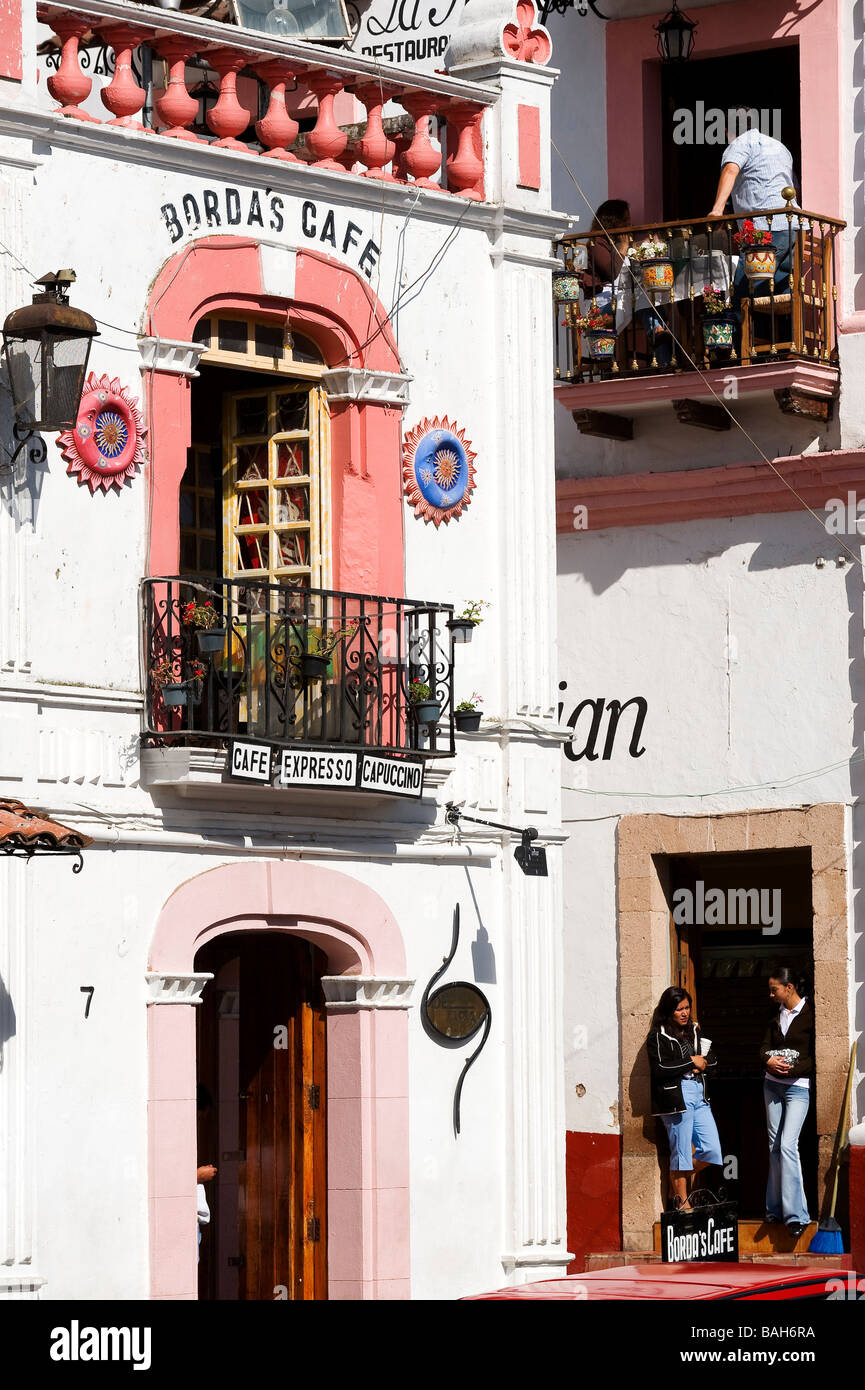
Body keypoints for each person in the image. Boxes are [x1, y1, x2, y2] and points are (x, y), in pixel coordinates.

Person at [707, 107, 800, 312]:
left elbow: (731, 170)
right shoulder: (779, 147)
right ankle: (785, 342)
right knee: (781, 294)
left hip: (765, 230)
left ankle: (741, 344)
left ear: (728, 129)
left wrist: (717, 210)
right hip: (791, 227)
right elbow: (793, 187)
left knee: (743, 294)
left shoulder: (740, 143)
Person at [647, 987, 722, 1211]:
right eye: (679, 1009)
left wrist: (704, 1064)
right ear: (669, 1010)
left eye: (687, 1007)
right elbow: (660, 1068)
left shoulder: (695, 1031)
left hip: (699, 1093)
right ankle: (682, 1202)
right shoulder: (658, 1036)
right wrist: (691, 1062)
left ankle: (675, 1177)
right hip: (676, 1096)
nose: (684, 1013)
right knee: (681, 1152)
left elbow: (712, 1060)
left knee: (712, 1150)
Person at [581, 199, 672, 369]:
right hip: (601, 303)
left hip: (625, 298)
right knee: (645, 301)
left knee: (648, 300)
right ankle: (661, 345)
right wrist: (623, 248)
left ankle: (662, 351)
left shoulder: (619, 245)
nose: (630, 223)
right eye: (626, 219)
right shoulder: (597, 243)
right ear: (615, 220)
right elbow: (611, 272)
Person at [761, 966, 814, 1238]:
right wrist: (768, 1060)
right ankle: (774, 1209)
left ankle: (796, 1216)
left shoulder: (810, 1015)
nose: (771, 994)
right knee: (773, 1147)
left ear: (789, 987)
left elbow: (815, 1055)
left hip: (797, 1089)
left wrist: (791, 1070)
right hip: (772, 1086)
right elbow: (762, 1048)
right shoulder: (775, 1016)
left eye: (774, 989)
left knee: (787, 1145)